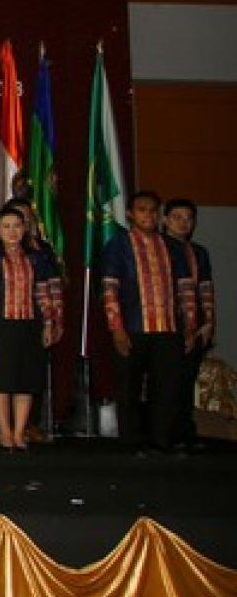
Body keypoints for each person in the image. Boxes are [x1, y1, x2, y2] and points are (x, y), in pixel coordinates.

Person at [101, 190, 200, 453]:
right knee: (129, 388)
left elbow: (186, 289)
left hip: (168, 329)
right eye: (142, 210)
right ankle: (131, 442)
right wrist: (116, 328)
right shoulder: (118, 245)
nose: (149, 215)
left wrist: (190, 327)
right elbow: (110, 288)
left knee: (167, 388)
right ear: (130, 214)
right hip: (132, 328)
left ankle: (161, 441)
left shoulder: (173, 247)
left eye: (154, 210)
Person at [0, 203, 62, 451]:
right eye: (6, 227)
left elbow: (43, 293)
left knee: (26, 380)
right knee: (0, 380)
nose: (12, 231)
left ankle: (19, 431)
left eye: (16, 226)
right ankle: (4, 431)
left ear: (24, 228)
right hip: (0, 324)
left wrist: (48, 323)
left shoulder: (35, 257)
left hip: (30, 324)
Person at [165, 197, 216, 448]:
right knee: (169, 382)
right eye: (177, 217)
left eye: (188, 218)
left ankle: (184, 432)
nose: (183, 223)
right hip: (167, 325)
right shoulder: (159, 247)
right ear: (165, 220)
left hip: (196, 326)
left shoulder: (199, 252)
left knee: (186, 381)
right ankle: (166, 433)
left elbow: (206, 287)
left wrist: (208, 323)